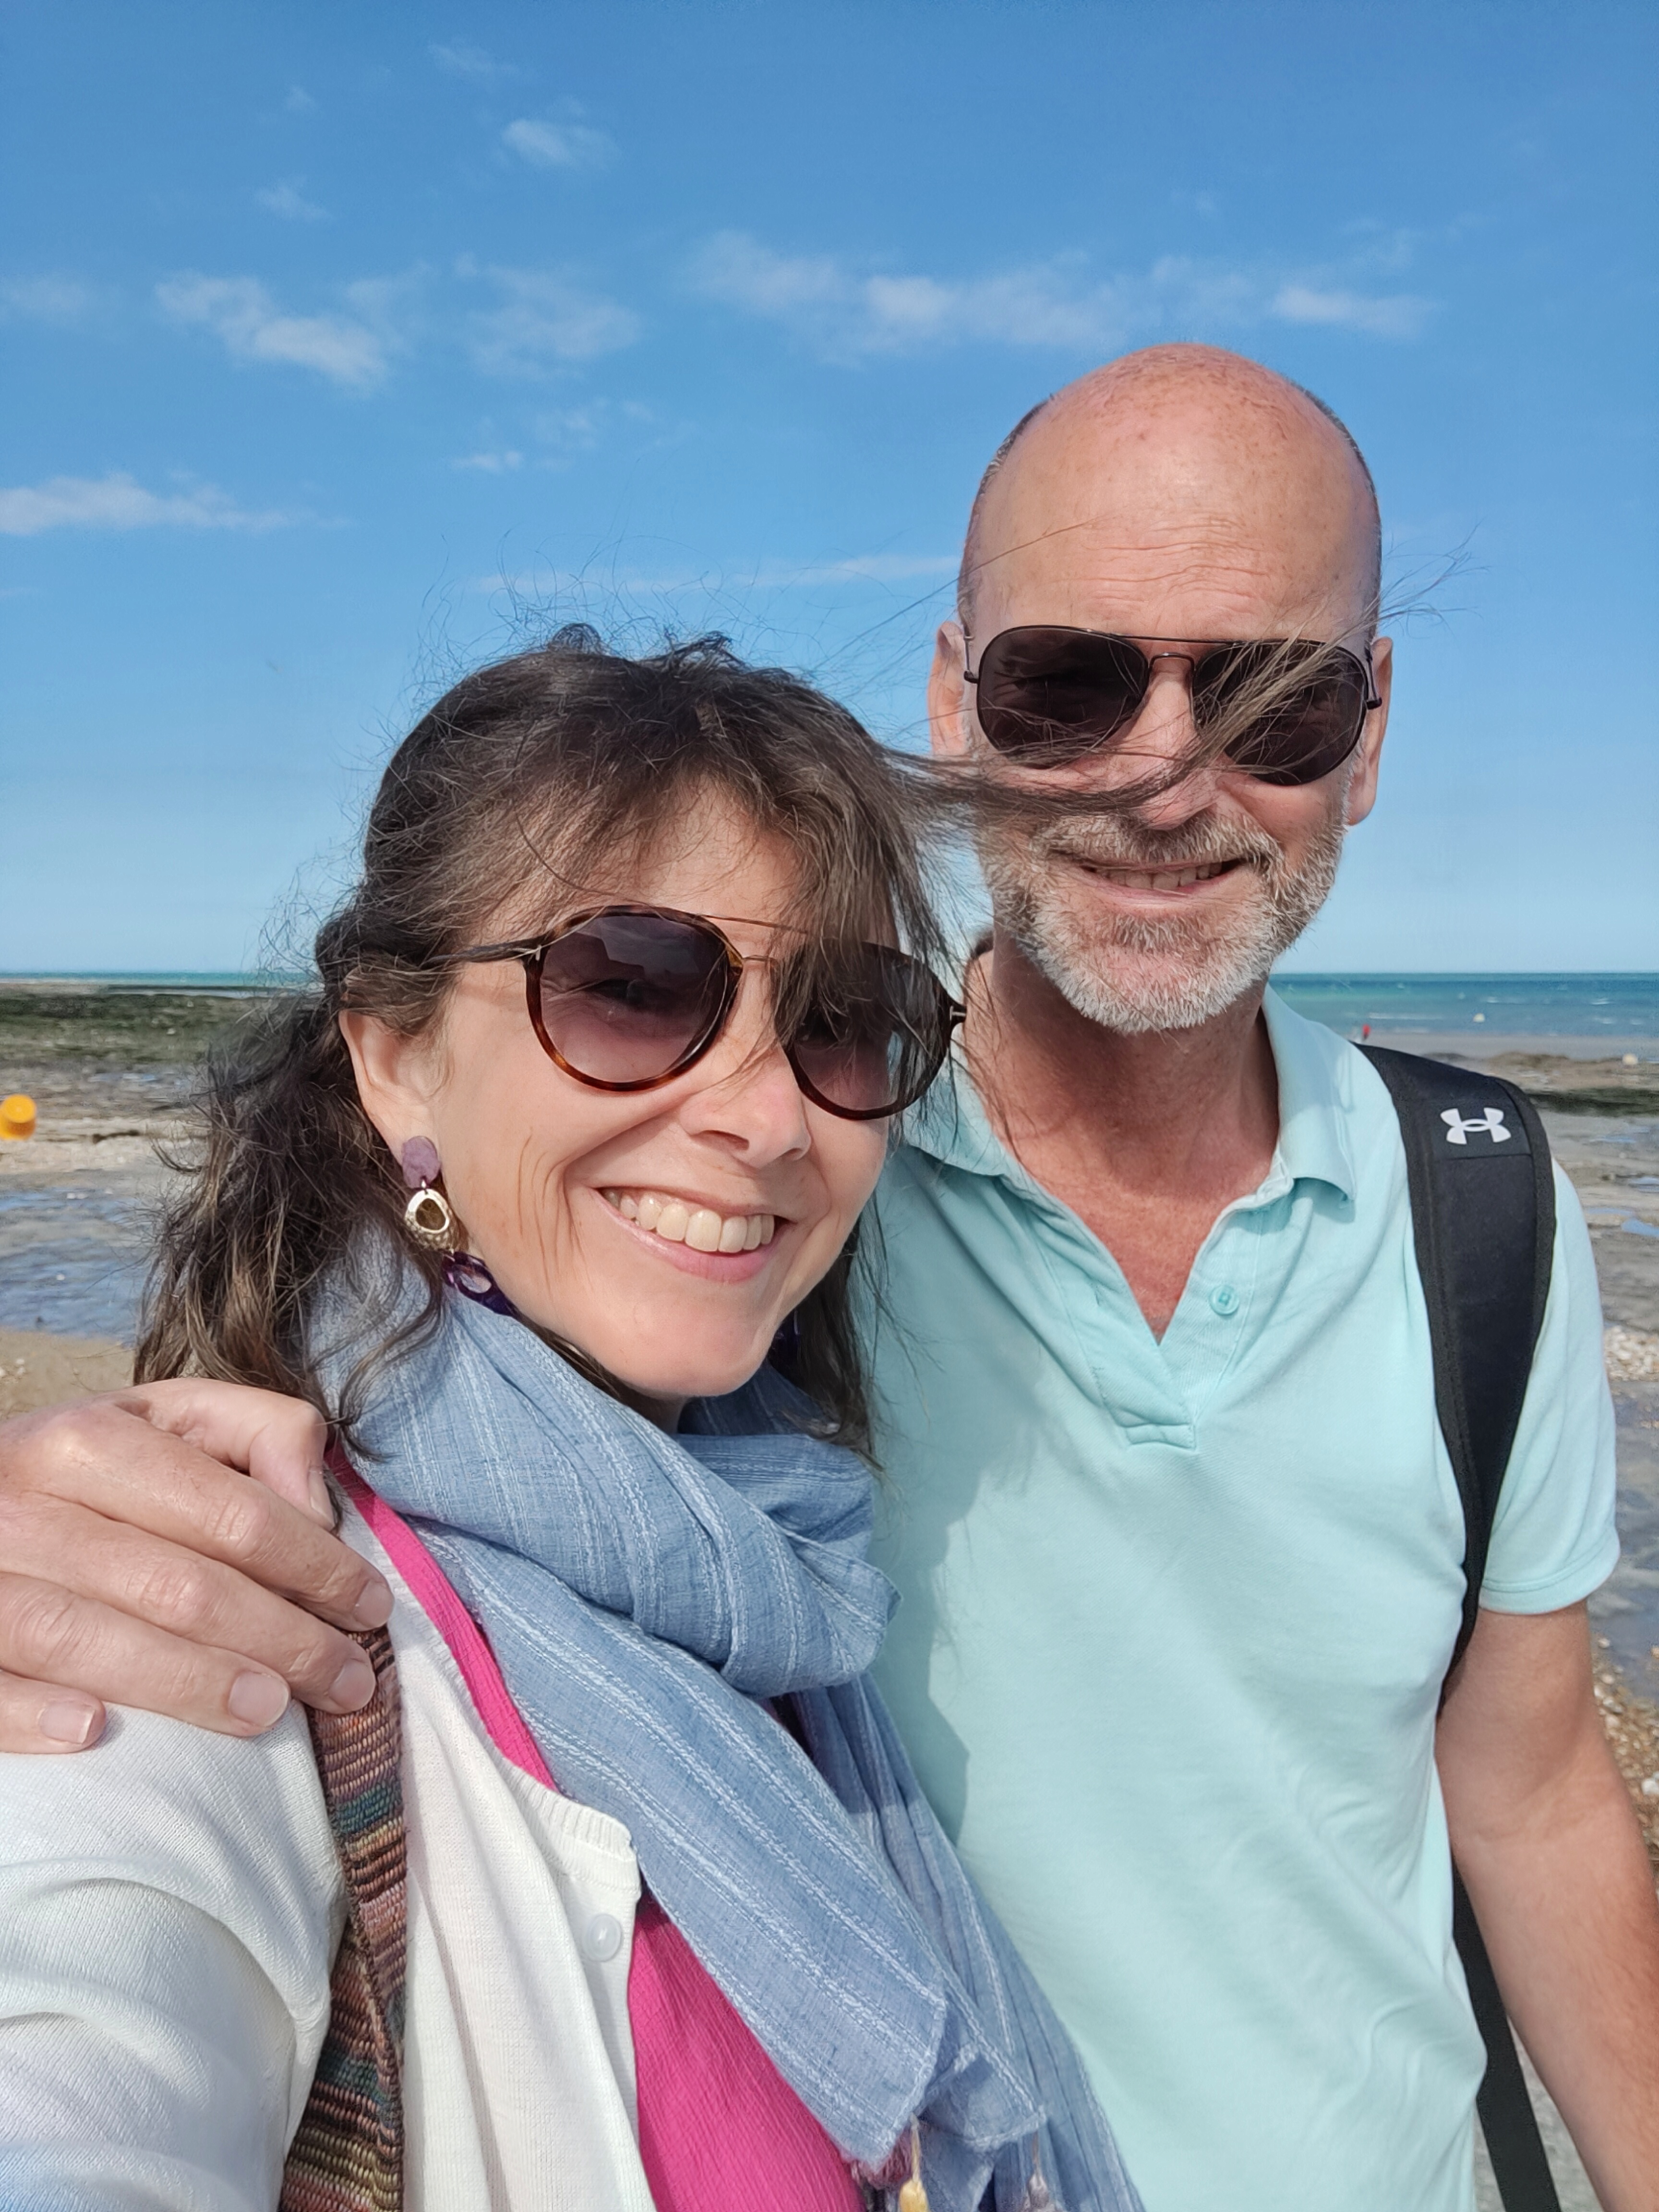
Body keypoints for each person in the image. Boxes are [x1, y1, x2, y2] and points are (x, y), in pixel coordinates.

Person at [3, 344, 1658, 2210]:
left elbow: (1530, 1790)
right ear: (957, 701)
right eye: (1070, 683)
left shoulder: (1483, 1204)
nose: (1168, 774)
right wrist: (67, 1525)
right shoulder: (799, 1214)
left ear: (1369, 735)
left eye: (1276, 702)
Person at [0, 635, 1140, 2212]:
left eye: (841, 1019)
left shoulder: (778, 1560)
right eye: (632, 985)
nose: (762, 1115)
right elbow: (82, 2052)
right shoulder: (227, 1610)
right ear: (395, 1051)